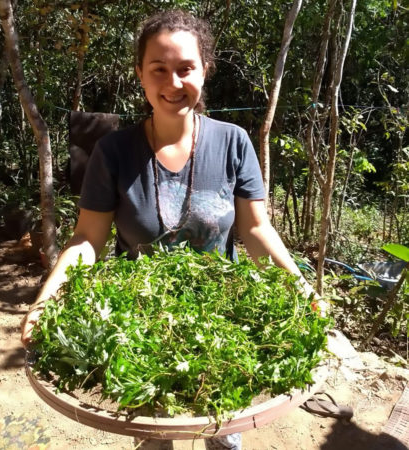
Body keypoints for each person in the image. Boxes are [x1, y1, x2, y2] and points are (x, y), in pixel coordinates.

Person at [21, 9, 318, 450]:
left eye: (185, 69)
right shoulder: (114, 151)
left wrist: (300, 289)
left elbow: (256, 229)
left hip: (224, 321)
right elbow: (87, 239)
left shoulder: (233, 142)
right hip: (139, 326)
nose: (173, 83)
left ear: (205, 70)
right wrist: (47, 299)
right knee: (153, 433)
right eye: (158, 69)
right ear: (140, 73)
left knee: (223, 428)